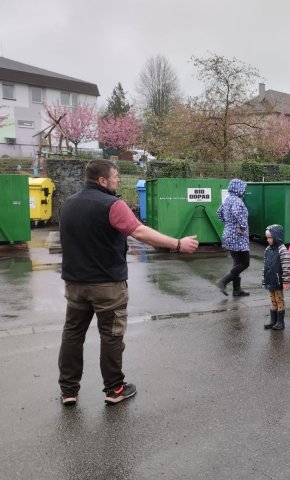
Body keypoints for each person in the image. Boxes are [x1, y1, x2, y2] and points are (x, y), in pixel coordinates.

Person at [58, 160, 199, 406]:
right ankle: (115, 388)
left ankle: (68, 390)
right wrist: (178, 244)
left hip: (74, 284)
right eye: (115, 176)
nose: (118, 180)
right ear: (102, 180)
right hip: (107, 285)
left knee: (72, 335)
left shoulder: (68, 204)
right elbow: (139, 232)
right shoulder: (112, 204)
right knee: (111, 336)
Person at [216, 179, 251, 297]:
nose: (244, 191)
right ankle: (223, 281)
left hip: (228, 234)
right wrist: (242, 227)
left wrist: (228, 224)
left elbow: (219, 212)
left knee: (237, 263)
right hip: (238, 236)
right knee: (245, 263)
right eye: (243, 189)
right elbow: (238, 214)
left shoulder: (228, 199)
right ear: (238, 189)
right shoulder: (237, 201)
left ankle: (237, 290)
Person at [262, 224, 290, 331]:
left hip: (278, 280)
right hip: (270, 280)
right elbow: (265, 265)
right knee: (272, 300)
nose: (268, 240)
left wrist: (286, 281)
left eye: (270, 238)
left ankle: (280, 321)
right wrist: (264, 279)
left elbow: (286, 266)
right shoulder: (267, 249)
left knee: (279, 300)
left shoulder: (282, 250)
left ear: (276, 236)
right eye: (267, 238)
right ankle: (273, 320)